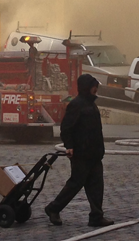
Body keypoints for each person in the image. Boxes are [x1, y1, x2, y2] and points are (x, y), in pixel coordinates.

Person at [45, 74, 114, 227]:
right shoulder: (76, 105)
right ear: (87, 87)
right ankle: (53, 208)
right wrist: (69, 146)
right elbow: (66, 128)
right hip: (81, 154)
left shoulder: (91, 104)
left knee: (96, 186)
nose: (96, 89)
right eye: (93, 86)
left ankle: (96, 216)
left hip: (94, 154)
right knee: (75, 184)